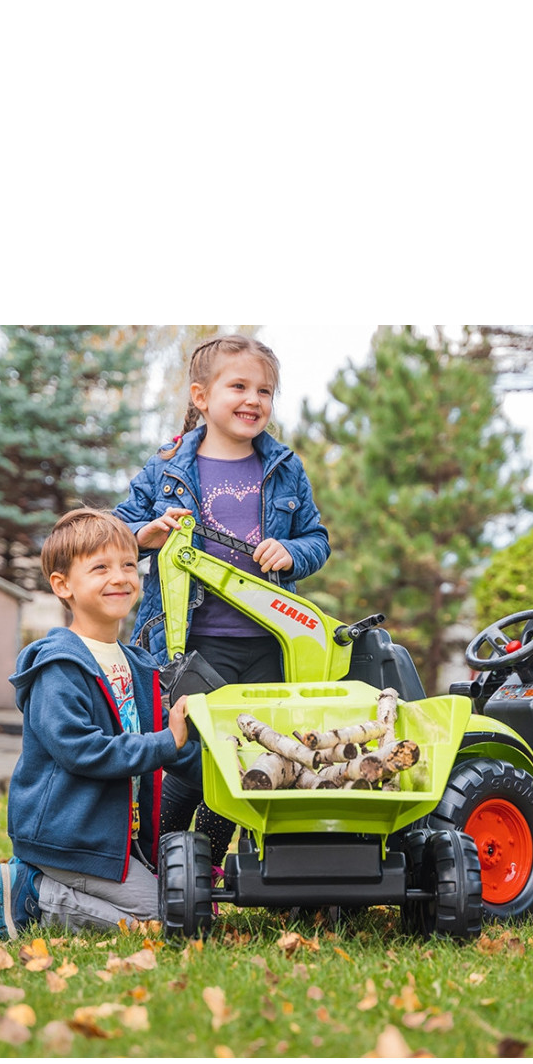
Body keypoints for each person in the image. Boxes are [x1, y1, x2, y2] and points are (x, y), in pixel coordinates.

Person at [113, 334, 330, 871]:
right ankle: (156, 862)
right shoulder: (166, 468)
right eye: (239, 386)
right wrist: (145, 535)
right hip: (191, 644)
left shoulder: (284, 467)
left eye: (265, 391)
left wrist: (293, 552)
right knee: (189, 757)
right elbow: (114, 531)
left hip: (269, 645)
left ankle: (205, 869)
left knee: (243, 758)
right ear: (201, 396)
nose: (253, 399)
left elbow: (316, 539)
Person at [0, 508, 200, 939]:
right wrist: (166, 741)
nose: (120, 578)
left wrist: (220, 769)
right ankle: (34, 893)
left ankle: (52, 890)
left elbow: (169, 744)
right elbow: (82, 751)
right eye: (100, 568)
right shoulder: (58, 667)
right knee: (165, 920)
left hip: (110, 838)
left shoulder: (138, 665)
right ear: (62, 585)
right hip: (67, 837)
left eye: (128, 565)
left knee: (179, 907)